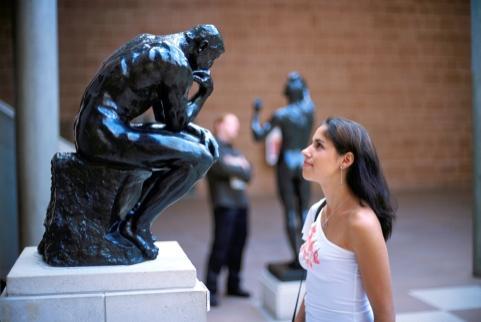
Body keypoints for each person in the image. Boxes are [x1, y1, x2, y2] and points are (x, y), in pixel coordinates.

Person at [73, 24, 224, 259]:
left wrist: (197, 132)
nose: (209, 66)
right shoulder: (176, 63)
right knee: (199, 159)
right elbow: (176, 123)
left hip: (95, 127)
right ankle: (135, 224)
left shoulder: (153, 43)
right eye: (211, 58)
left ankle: (133, 215)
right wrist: (203, 94)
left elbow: (167, 119)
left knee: (199, 145)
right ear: (202, 47)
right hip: (104, 135)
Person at [295, 117, 396, 322]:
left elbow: (385, 313)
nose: (306, 151)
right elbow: (314, 284)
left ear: (346, 160)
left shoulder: (361, 224)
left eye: (319, 145)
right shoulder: (317, 211)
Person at [251, 72, 314, 270]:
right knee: (304, 210)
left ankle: (297, 257)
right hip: (304, 160)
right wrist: (301, 81)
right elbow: (307, 94)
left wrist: (256, 112)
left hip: (287, 162)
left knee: (289, 211)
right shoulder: (309, 110)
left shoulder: (282, 114)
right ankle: (306, 256)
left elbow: (257, 134)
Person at [205, 113, 252, 307]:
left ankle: (234, 284)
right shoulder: (213, 147)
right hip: (224, 204)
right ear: (220, 125)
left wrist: (238, 166)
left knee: (238, 245)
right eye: (233, 124)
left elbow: (249, 173)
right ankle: (212, 288)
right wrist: (238, 166)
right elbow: (221, 167)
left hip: (241, 203)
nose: (237, 129)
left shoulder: (233, 150)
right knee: (221, 245)